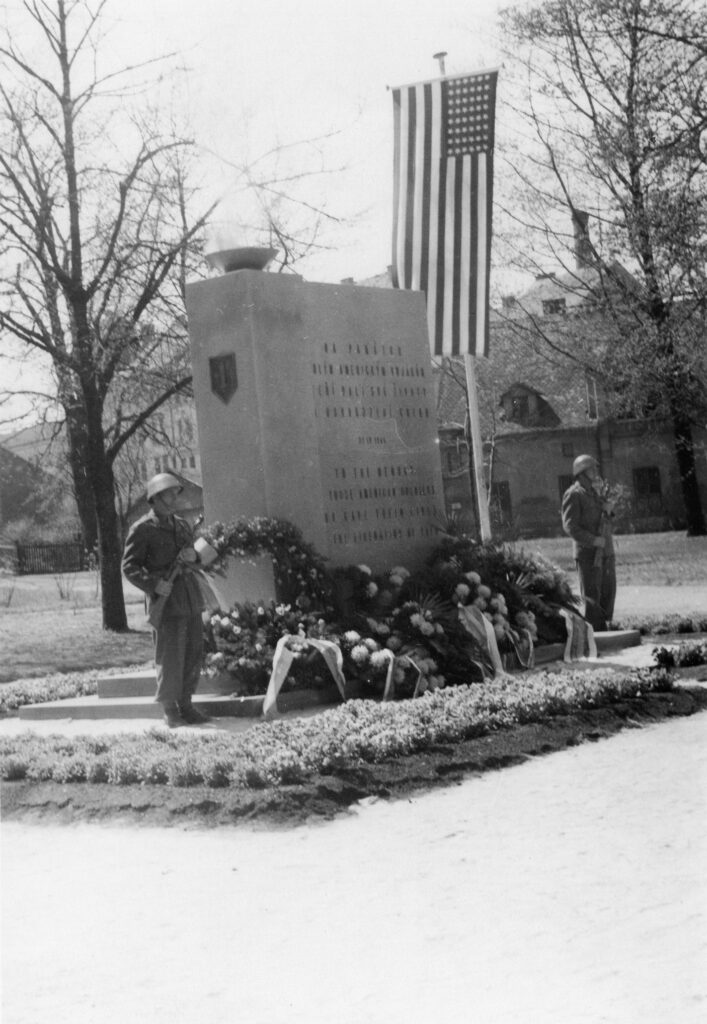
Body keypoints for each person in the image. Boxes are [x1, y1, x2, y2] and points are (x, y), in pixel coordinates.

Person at [122, 472, 209, 728]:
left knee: (193, 652)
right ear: (155, 498)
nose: (174, 499)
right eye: (169, 494)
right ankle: (170, 709)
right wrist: (154, 584)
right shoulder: (142, 529)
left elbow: (198, 554)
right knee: (170, 655)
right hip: (166, 599)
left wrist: (195, 556)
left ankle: (187, 704)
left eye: (175, 494)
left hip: (189, 597)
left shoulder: (182, 525)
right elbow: (129, 567)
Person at [561, 454, 616, 632]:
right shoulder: (574, 495)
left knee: (608, 590)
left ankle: (605, 628)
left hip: (605, 551)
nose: (596, 471)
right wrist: (593, 540)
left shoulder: (595, 493)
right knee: (593, 596)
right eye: (592, 469)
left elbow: (604, 519)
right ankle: (596, 634)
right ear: (581, 472)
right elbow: (570, 526)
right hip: (588, 554)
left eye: (596, 468)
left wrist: (609, 509)